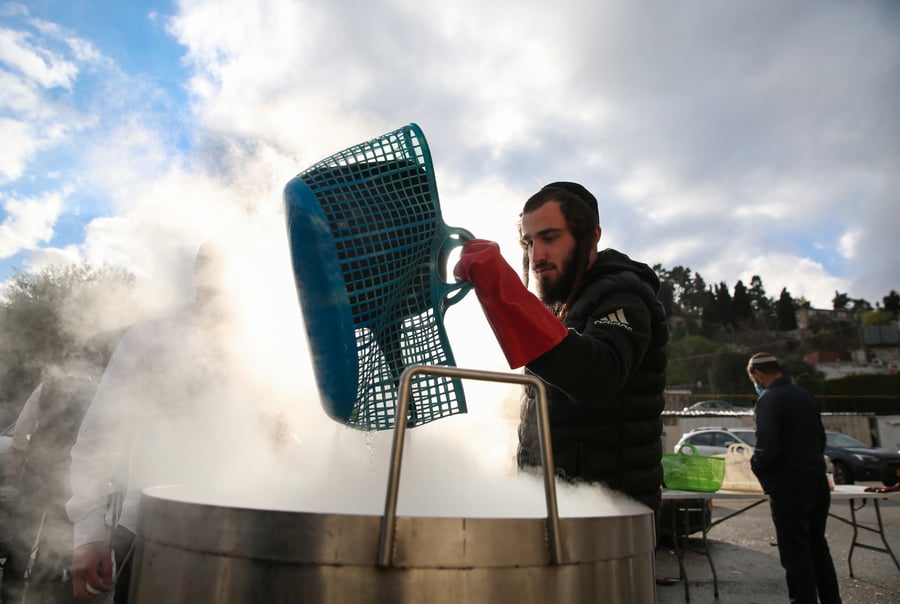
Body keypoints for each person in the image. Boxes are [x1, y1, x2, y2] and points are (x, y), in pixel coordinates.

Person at [453, 181, 668, 513]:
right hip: (553, 506)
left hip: (609, 517)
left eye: (550, 238)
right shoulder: (562, 307)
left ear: (591, 236)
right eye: (529, 242)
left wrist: (500, 288)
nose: (536, 256)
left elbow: (596, 376)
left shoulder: (625, 295)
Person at [65, 242, 237, 603]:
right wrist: (89, 532)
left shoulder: (279, 351)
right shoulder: (151, 338)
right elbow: (98, 438)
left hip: (254, 536)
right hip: (149, 530)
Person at [1, 343, 111, 604]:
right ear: (94, 367)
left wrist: (16, 476)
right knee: (54, 540)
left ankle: (9, 595)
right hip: (70, 477)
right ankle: (44, 595)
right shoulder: (97, 393)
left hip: (37, 473)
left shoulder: (47, 386)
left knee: (22, 538)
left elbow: (20, 436)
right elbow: (102, 443)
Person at [748, 352, 841, 604]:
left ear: (758, 374)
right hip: (816, 481)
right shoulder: (803, 395)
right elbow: (820, 439)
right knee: (817, 547)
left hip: (788, 486)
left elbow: (767, 447)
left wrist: (755, 465)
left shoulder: (769, 399)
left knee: (795, 553)